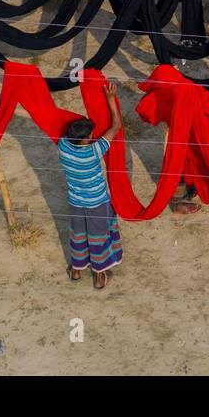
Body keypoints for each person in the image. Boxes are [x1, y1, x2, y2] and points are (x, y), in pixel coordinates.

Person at [57, 81, 124, 290]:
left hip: (76, 202)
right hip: (97, 202)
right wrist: (111, 100)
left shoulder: (63, 147)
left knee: (78, 234)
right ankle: (100, 275)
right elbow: (116, 127)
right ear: (86, 140)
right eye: (90, 135)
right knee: (98, 236)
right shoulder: (94, 151)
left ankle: (76, 270)